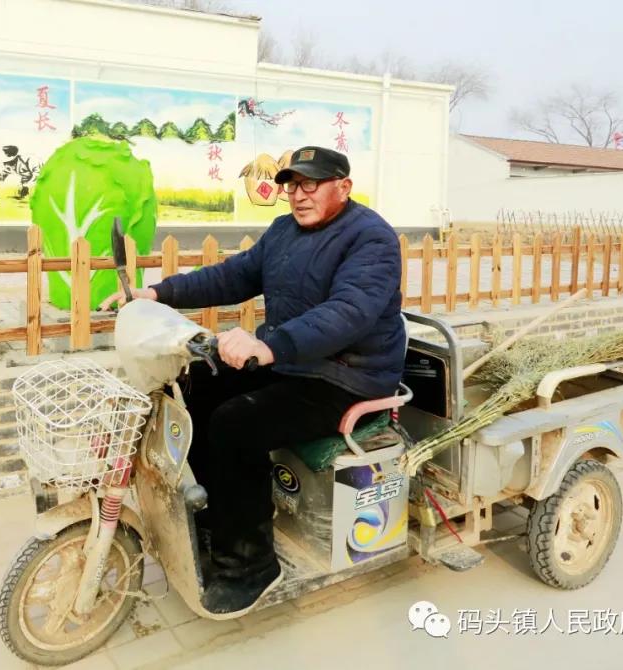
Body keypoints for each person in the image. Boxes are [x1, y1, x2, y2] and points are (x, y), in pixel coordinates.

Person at [100, 146, 405, 616]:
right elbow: (233, 276)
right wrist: (157, 293)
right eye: (291, 185)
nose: (298, 195)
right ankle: (217, 515)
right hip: (294, 361)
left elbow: (348, 313)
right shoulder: (283, 231)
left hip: (347, 377)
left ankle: (251, 565)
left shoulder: (371, 239)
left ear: (343, 187)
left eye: (310, 184)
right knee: (196, 385)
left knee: (236, 424)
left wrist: (269, 345)